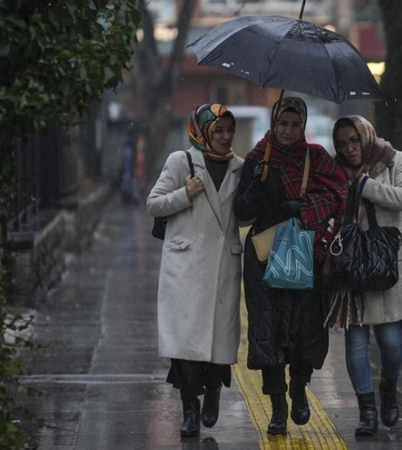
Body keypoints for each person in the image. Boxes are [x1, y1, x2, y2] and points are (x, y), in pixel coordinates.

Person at [233, 96, 347, 435]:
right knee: (269, 333)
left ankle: (298, 388)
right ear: (273, 123)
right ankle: (278, 405)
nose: (287, 130)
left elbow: (341, 194)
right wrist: (256, 181)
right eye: (282, 123)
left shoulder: (318, 158)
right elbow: (242, 213)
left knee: (304, 330)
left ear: (304, 126)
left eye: (295, 124)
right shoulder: (258, 158)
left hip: (305, 255)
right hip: (265, 258)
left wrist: (305, 207)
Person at [146, 103, 244, 438]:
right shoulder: (180, 161)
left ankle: (214, 391)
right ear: (202, 131)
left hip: (222, 264)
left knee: (218, 339)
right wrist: (185, 194)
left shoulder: (240, 168)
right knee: (185, 343)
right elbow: (154, 203)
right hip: (185, 265)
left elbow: (243, 217)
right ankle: (190, 408)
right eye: (218, 130)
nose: (226, 137)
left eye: (230, 130)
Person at [328, 115, 402, 436]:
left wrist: (369, 187)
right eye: (342, 144)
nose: (349, 149)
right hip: (351, 270)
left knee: (392, 343)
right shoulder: (333, 170)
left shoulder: (394, 160)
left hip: (386, 266)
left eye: (354, 141)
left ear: (366, 136)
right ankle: (367, 411)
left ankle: (388, 388)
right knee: (355, 344)